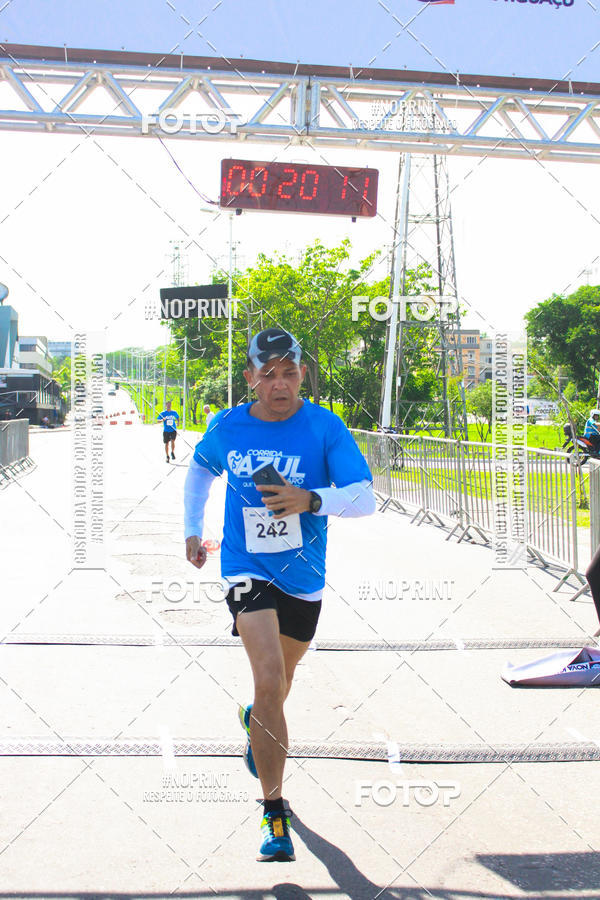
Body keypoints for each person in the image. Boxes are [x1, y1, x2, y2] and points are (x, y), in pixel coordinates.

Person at [184, 328, 376, 863]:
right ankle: (274, 813)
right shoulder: (227, 425)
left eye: (289, 372)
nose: (280, 384)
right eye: (268, 374)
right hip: (246, 569)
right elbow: (200, 470)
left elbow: (365, 499)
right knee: (268, 677)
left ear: (301, 375)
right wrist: (192, 529)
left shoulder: (324, 427)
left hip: (304, 577)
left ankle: (255, 721)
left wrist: (309, 499)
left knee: (279, 688)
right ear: (250, 378)